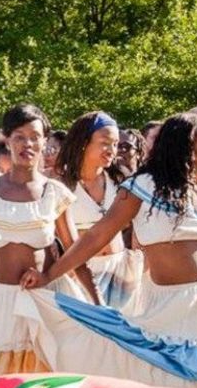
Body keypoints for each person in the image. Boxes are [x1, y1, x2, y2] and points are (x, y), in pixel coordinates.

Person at [20, 112, 197, 387]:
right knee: (168, 386)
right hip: (163, 310)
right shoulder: (141, 188)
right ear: (185, 147)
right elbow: (95, 237)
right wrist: (49, 276)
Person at [0, 104, 96, 377]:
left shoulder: (55, 192)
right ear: (6, 139)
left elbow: (75, 253)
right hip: (3, 303)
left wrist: (98, 305)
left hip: (48, 300)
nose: (28, 143)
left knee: (49, 379)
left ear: (45, 140)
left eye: (35, 136)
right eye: (19, 136)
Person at [57, 111, 142, 309]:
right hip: (79, 275)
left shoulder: (121, 180)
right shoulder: (61, 185)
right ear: (84, 142)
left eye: (115, 144)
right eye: (105, 142)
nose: (112, 150)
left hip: (122, 272)